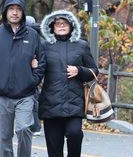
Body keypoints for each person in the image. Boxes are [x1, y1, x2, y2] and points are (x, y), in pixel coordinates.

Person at [0, 0, 45, 157]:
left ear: (23, 12)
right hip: (1, 95)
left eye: (18, 9)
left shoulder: (33, 35)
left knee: (24, 129)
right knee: (5, 137)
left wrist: (33, 80)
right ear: (5, 12)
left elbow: (42, 62)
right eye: (11, 9)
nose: (15, 13)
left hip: (25, 94)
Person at [38, 10, 98, 157]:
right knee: (54, 147)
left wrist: (80, 70)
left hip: (75, 101)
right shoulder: (44, 46)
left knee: (75, 133)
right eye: (58, 24)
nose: (61, 26)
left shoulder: (82, 45)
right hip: (51, 103)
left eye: (65, 23)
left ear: (72, 26)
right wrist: (33, 65)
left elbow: (94, 71)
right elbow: (38, 71)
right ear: (52, 27)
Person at [25, 15, 43, 137]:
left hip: (30, 72)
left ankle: (34, 126)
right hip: (38, 74)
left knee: (32, 100)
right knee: (34, 99)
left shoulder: (30, 37)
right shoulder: (40, 36)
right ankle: (35, 126)